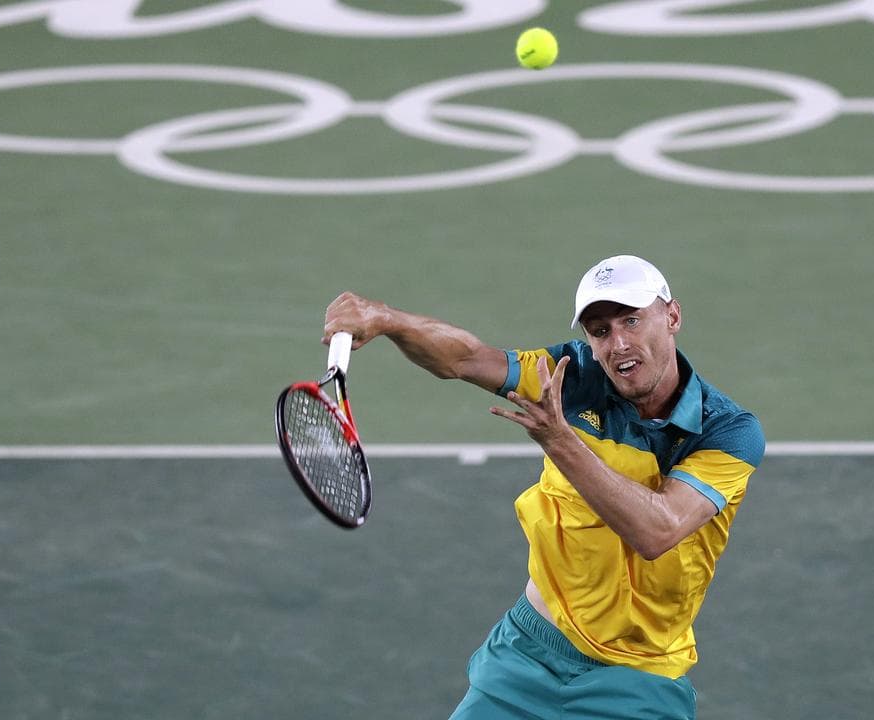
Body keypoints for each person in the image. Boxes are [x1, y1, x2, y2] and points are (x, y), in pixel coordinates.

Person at [322, 255, 765, 719]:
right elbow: (468, 359)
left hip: (638, 680)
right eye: (600, 331)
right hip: (528, 653)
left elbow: (658, 530)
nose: (618, 343)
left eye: (631, 320)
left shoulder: (727, 432)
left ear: (672, 316)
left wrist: (559, 440)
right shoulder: (570, 378)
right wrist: (388, 319)